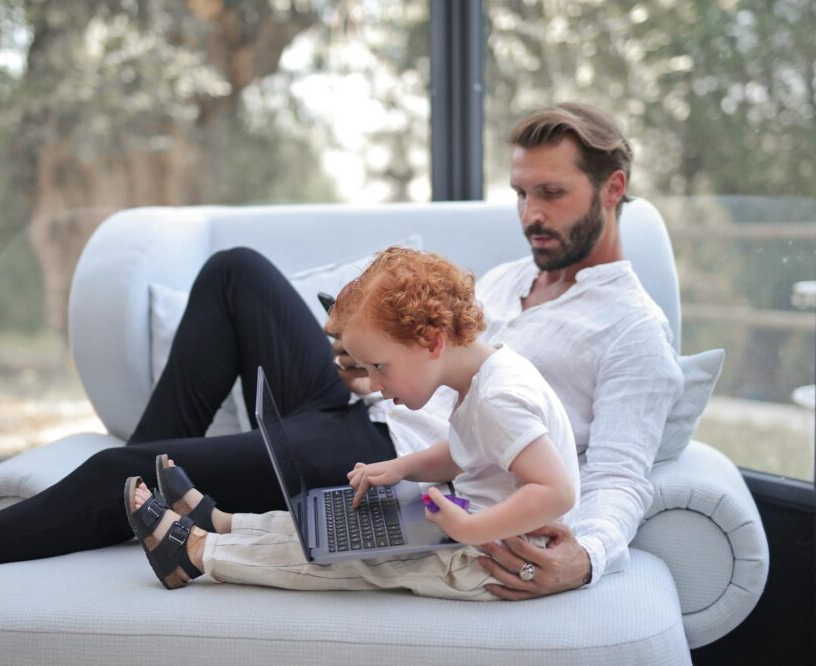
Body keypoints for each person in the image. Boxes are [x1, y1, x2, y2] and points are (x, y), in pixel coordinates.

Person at [0, 102, 681, 627]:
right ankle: (140, 493)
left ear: (613, 188)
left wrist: (586, 557)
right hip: (370, 416)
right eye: (522, 193)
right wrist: (362, 361)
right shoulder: (509, 279)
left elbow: (620, 477)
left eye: (553, 195)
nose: (531, 214)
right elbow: (438, 367)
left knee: (112, 469)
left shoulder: (634, 330)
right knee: (236, 270)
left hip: (361, 461)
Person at [123, 246, 579, 598]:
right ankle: (219, 521)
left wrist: (468, 529)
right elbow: (468, 451)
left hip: (489, 561)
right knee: (339, 526)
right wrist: (403, 468)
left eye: (380, 367)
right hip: (476, 535)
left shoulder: (499, 398)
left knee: (346, 560)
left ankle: (196, 554)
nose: (376, 387)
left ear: (432, 341)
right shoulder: (484, 379)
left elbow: (556, 490)